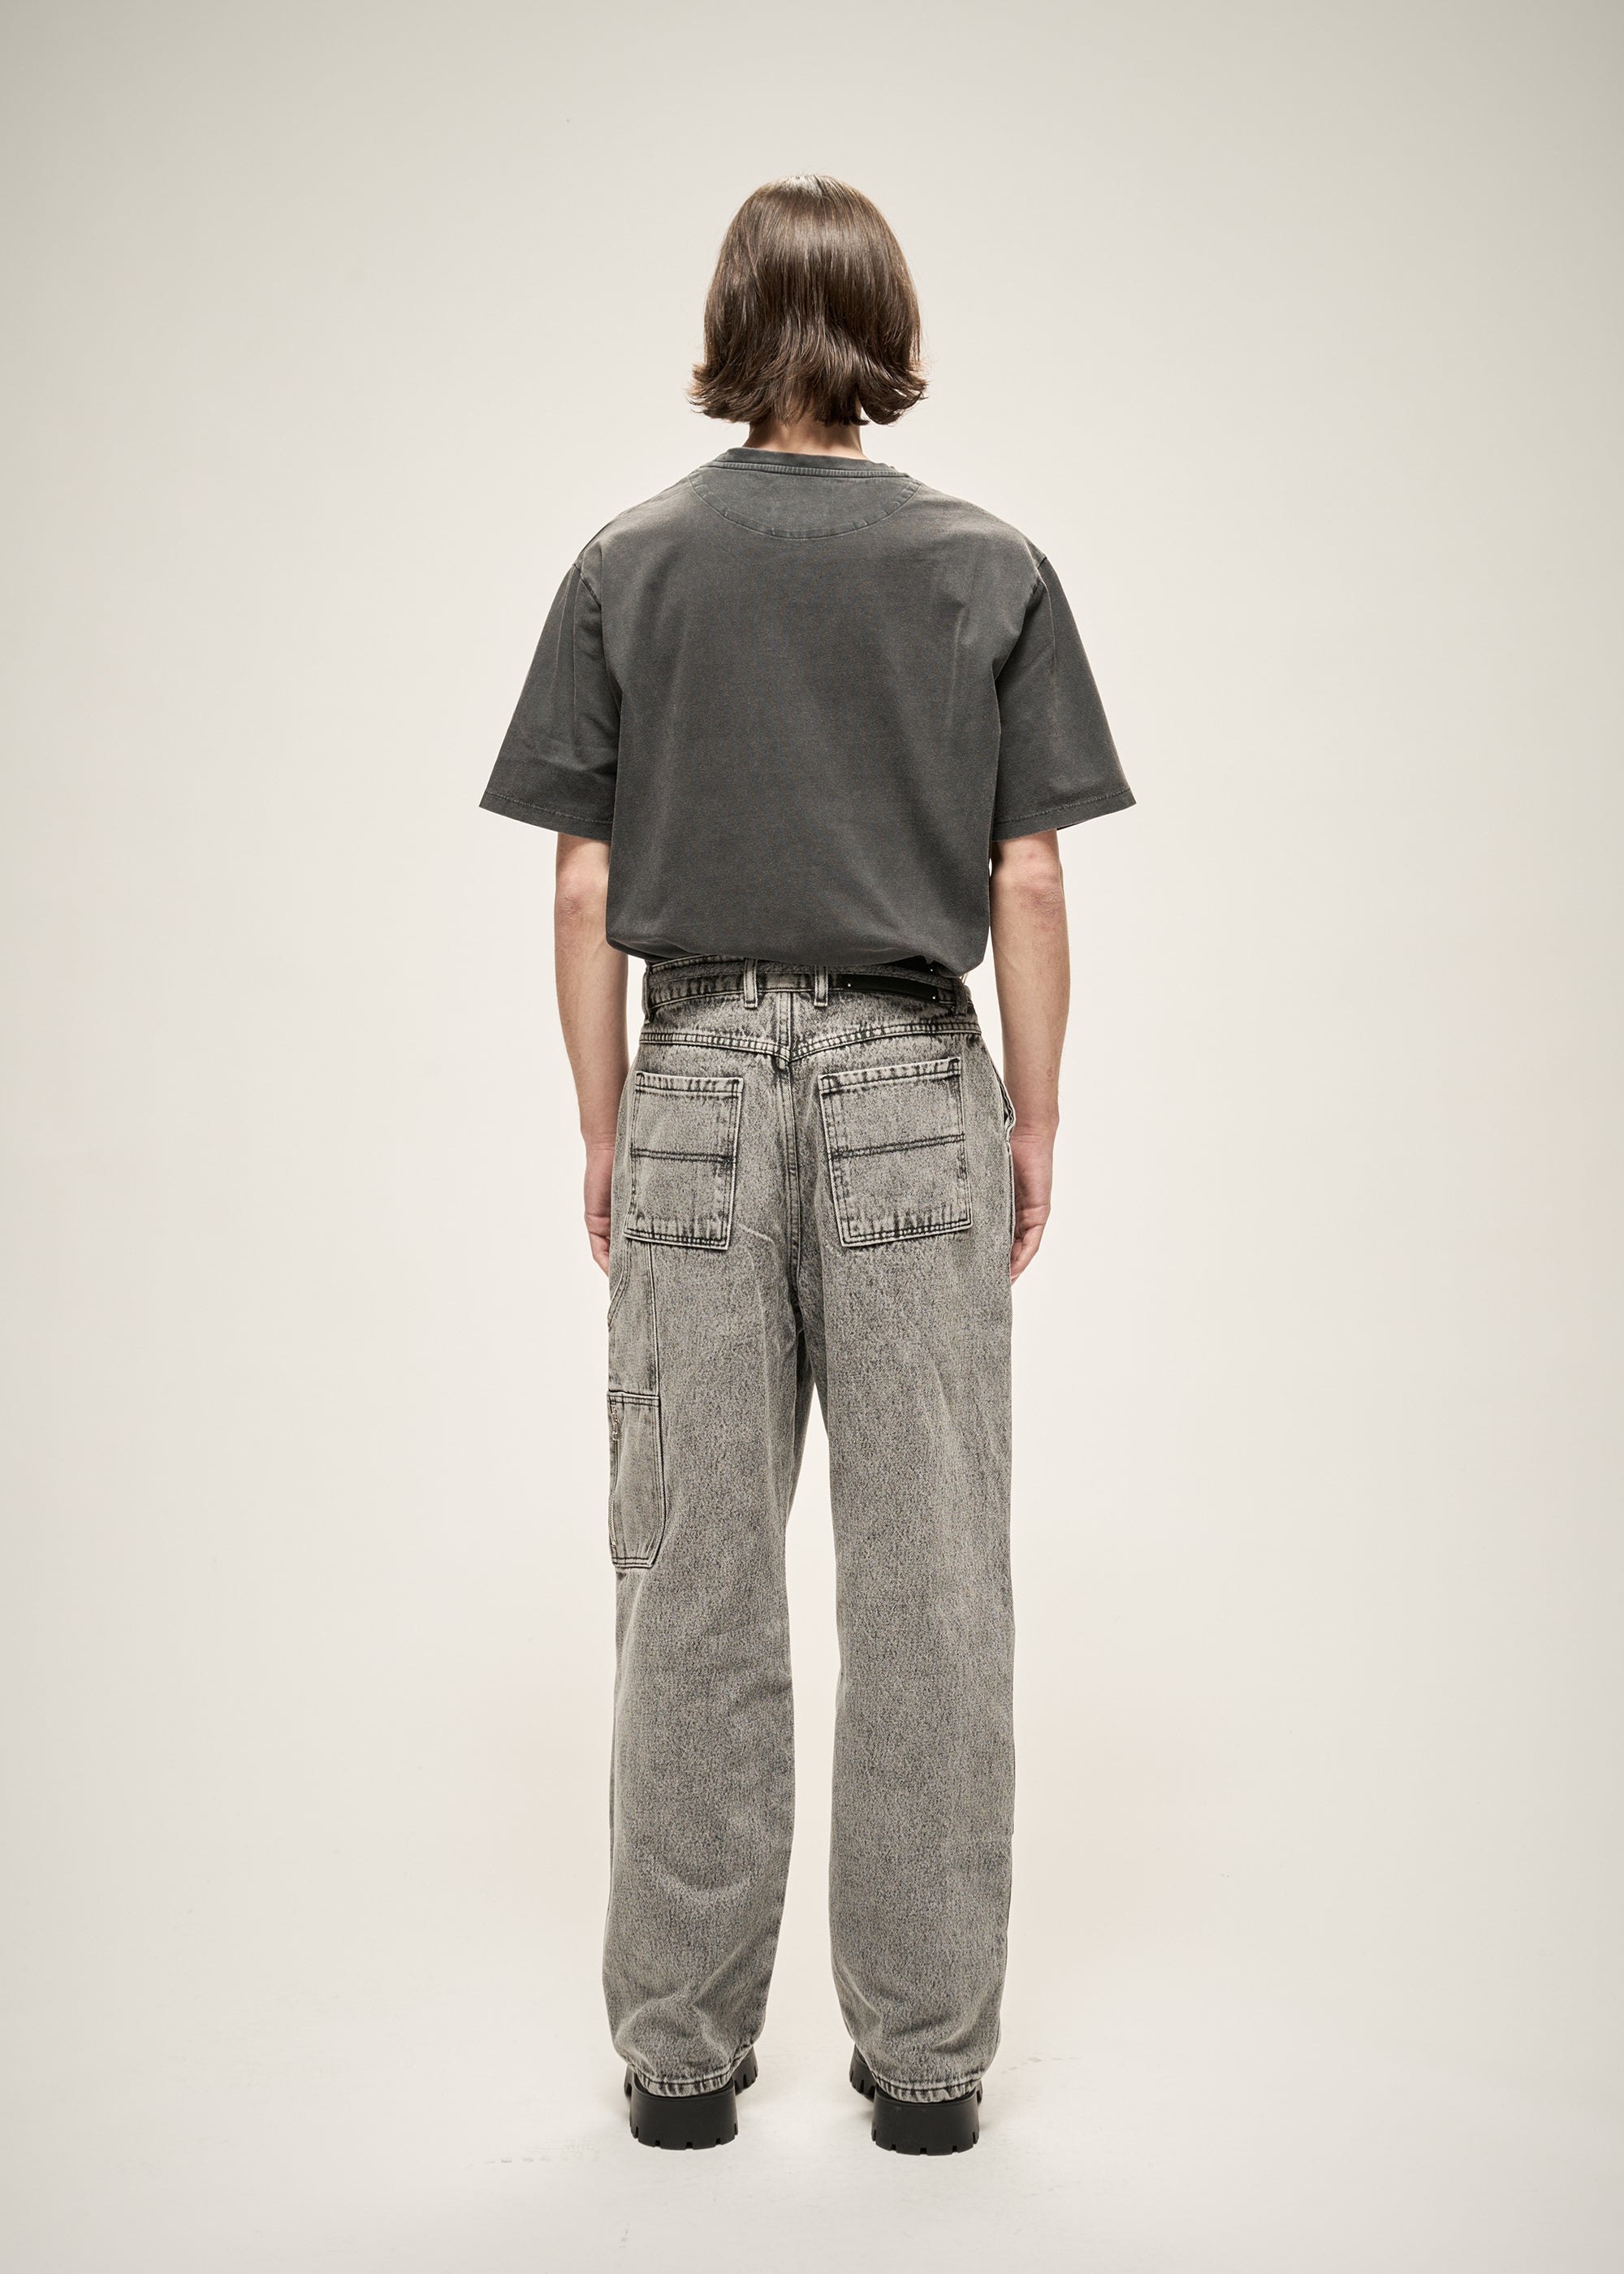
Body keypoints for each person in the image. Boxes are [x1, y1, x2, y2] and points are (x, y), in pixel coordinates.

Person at [480, 175, 1134, 2155]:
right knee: (932, 1576)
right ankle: (925, 2069)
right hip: (911, 1075)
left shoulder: (629, 563)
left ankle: (679, 2061)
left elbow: (582, 884)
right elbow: (1027, 876)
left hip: (688, 1066)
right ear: (886, 330)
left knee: (687, 1574)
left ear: (727, 328)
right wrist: (1032, 1114)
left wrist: (609, 1118)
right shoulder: (987, 564)